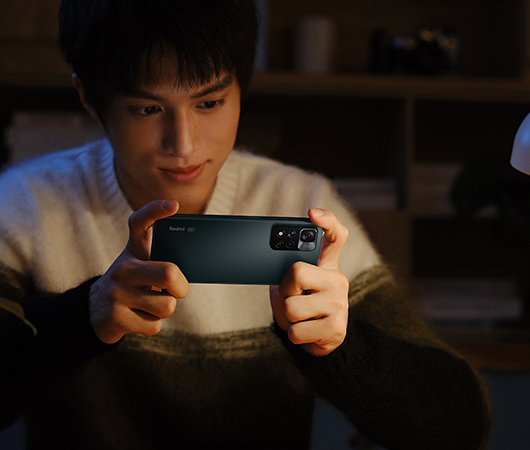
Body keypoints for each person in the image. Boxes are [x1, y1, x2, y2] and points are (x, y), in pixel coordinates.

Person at [0, 1, 490, 449]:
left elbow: (461, 427)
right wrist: (82, 319)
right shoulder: (24, 204)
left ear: (242, 84)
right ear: (89, 97)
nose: (184, 145)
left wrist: (341, 348)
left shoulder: (300, 203)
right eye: (147, 109)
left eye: (209, 102)